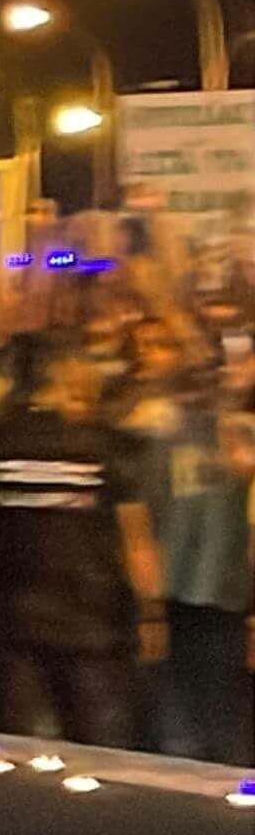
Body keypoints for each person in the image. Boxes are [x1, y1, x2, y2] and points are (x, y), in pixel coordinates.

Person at [0, 335, 165, 748]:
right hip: (92, 620)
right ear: (63, 379)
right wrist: (151, 611)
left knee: (9, 749)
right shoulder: (105, 448)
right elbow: (136, 538)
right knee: (94, 747)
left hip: (8, 618)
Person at [110, 322, 255, 761]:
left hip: (226, 603)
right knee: (171, 737)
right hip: (167, 601)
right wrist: (148, 608)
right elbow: (136, 523)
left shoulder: (241, 435)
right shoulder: (157, 430)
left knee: (223, 735)